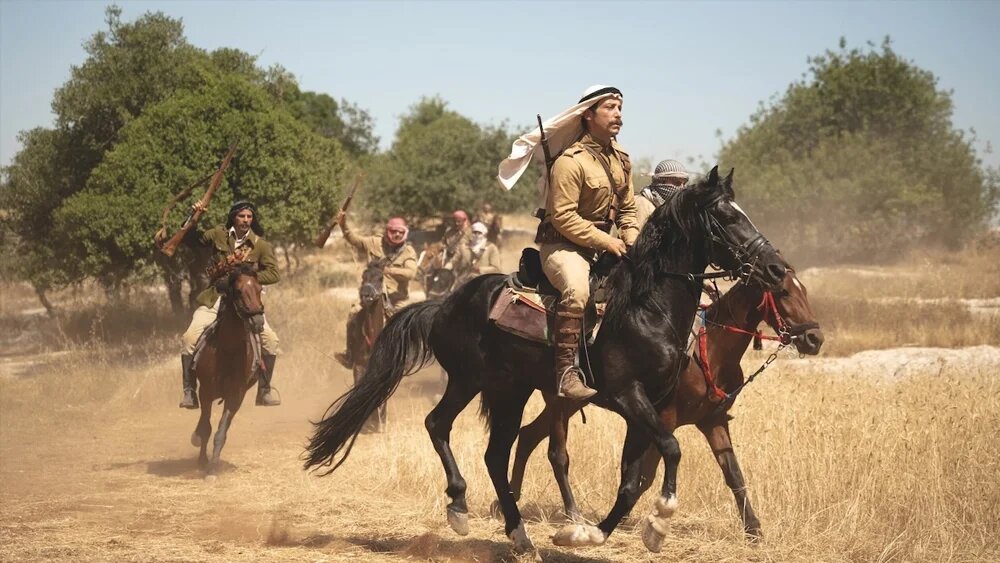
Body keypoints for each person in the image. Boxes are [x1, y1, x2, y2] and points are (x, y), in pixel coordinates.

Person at [533, 85, 639, 401]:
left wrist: (631, 241)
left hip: (607, 245)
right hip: (564, 247)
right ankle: (566, 373)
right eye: (609, 107)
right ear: (589, 115)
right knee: (578, 292)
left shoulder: (622, 158)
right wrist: (607, 242)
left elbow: (629, 208)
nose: (618, 113)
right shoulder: (570, 161)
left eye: (620, 107)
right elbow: (562, 216)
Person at [179, 200, 282, 408]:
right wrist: (193, 215)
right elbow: (191, 239)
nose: (246, 220)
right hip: (216, 297)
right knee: (189, 337)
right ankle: (189, 391)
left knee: (271, 340)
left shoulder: (260, 245)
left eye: (249, 217)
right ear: (233, 217)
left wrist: (247, 280)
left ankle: (264, 390)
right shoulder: (218, 234)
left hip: (244, 302)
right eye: (242, 216)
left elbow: (273, 273)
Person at [334, 211, 418, 368]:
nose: (397, 235)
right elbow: (353, 239)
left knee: (407, 322)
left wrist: (389, 271)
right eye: (394, 231)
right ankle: (350, 354)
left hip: (396, 298)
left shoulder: (408, 251)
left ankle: (406, 356)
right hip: (370, 295)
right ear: (387, 231)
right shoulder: (373, 242)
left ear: (405, 233)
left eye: (401, 232)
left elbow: (411, 273)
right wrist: (343, 224)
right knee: (353, 315)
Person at [635, 159, 690, 229]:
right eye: (677, 183)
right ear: (661, 182)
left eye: (684, 184)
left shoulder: (673, 208)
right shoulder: (643, 203)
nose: (682, 188)